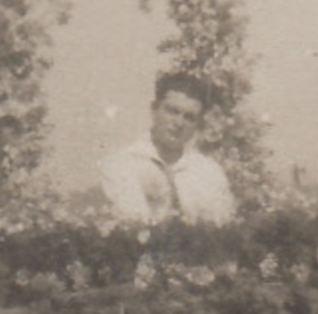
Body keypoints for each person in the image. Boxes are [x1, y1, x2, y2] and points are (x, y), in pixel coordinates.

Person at [98, 72, 236, 224]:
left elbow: (223, 228)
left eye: (189, 117)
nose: (179, 123)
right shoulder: (121, 164)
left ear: (198, 125)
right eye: (172, 111)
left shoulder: (210, 174)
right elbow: (133, 221)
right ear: (154, 110)